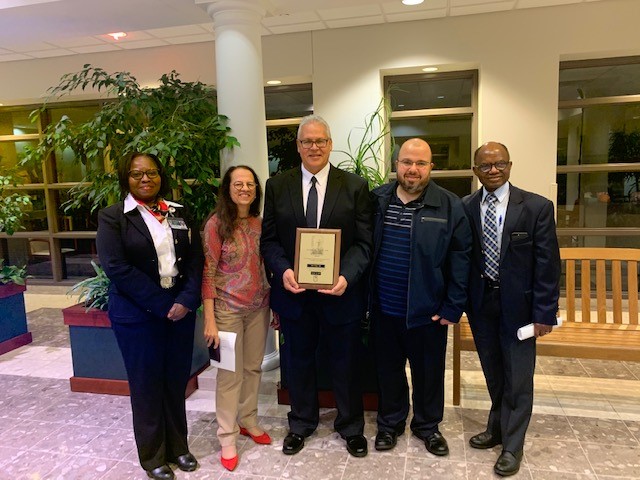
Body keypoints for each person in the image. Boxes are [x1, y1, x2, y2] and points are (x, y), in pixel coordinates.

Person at [260, 114, 373, 458]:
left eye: (320, 141)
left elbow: (365, 243)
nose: (314, 147)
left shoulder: (354, 186)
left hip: (340, 295)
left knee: (346, 363)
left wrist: (346, 278)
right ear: (298, 146)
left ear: (330, 144)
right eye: (307, 141)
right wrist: (283, 272)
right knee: (297, 362)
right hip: (294, 295)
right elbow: (270, 241)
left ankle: (351, 427)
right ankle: (301, 423)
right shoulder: (277, 185)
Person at [97, 152, 203, 480]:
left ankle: (178, 448)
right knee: (146, 385)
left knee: (174, 382)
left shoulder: (179, 213)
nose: (146, 179)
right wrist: (161, 304)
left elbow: (197, 261)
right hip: (138, 314)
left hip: (180, 312)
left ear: (161, 176)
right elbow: (117, 267)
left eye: (152, 173)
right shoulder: (114, 217)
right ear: (125, 178)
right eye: (137, 174)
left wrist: (185, 300)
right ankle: (153, 455)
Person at [462, 142, 560, 477]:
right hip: (481, 302)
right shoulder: (466, 207)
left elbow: (548, 265)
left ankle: (512, 446)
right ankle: (497, 427)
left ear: (509, 165)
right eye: (485, 166)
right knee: (493, 370)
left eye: (499, 164)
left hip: (520, 307)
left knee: (518, 376)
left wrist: (544, 312)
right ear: (475, 170)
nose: (493, 170)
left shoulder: (536, 207)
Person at [370, 138, 471, 456]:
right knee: (388, 371)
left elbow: (462, 257)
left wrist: (453, 306)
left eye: (420, 163)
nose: (412, 169)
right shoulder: (376, 201)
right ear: (396, 165)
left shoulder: (449, 205)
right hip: (384, 308)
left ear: (431, 167)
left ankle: (427, 426)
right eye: (406, 162)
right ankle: (390, 424)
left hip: (428, 311)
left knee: (428, 374)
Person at [201, 165, 271, 472]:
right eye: (238, 184)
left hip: (259, 308)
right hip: (226, 311)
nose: (245, 188)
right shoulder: (216, 225)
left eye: (250, 184)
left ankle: (248, 420)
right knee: (229, 375)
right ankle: (226, 436)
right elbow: (208, 272)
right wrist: (209, 320)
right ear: (227, 189)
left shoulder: (259, 223)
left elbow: (265, 267)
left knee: (253, 368)